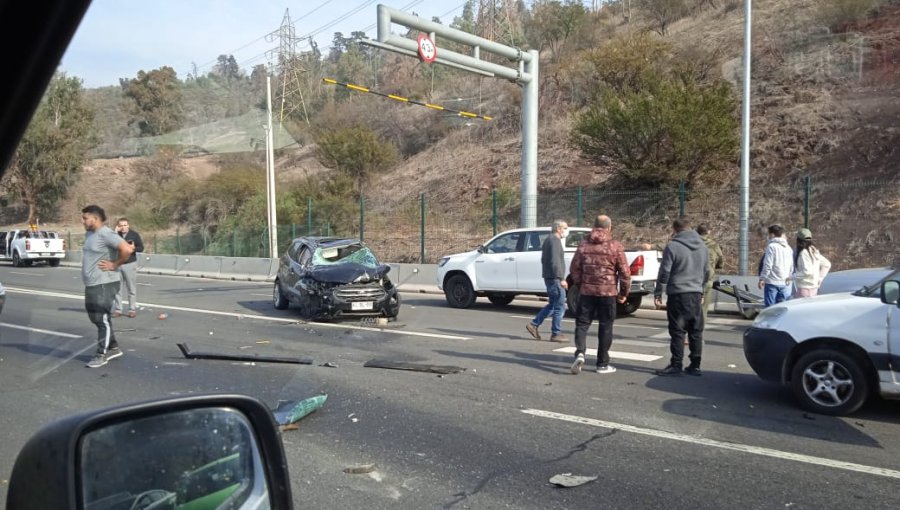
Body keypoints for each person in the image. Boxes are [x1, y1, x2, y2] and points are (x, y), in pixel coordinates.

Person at [568, 215, 631, 375]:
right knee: (605, 326)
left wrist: (581, 284)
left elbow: (574, 269)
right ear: (609, 227)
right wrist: (623, 293)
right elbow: (625, 272)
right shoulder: (615, 246)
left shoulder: (583, 245)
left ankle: (580, 352)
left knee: (582, 324)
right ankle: (602, 364)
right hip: (607, 292)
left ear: (594, 226)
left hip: (587, 292)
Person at [654, 218, 709, 376]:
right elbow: (707, 271)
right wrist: (702, 291)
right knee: (695, 330)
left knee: (678, 330)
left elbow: (665, 271)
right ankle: (695, 365)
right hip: (696, 292)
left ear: (675, 230)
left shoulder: (673, 246)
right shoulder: (703, 246)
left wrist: (659, 292)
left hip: (678, 293)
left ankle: (676, 364)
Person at [81, 205, 134, 368]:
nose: (82, 221)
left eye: (85, 218)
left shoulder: (106, 233)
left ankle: (101, 354)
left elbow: (126, 249)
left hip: (105, 282)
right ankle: (113, 347)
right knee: (97, 317)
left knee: (101, 317)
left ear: (95, 219)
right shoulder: (89, 234)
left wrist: (115, 264)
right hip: (93, 283)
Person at [525, 220, 569, 343]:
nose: (567, 230)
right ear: (559, 229)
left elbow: (544, 260)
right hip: (555, 278)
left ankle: (534, 324)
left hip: (550, 277)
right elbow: (555, 262)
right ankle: (556, 333)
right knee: (560, 306)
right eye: (565, 228)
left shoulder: (549, 240)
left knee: (553, 305)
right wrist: (561, 278)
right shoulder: (554, 241)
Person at [112, 217, 144, 318]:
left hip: (129, 264)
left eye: (125, 225)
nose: (123, 227)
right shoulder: (115, 235)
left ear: (128, 225)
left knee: (131, 288)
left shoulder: (134, 235)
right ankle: (118, 309)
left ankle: (132, 309)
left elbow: (141, 248)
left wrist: (134, 248)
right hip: (117, 264)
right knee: (117, 288)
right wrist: (114, 233)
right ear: (118, 226)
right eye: (121, 225)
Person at [758, 224, 794, 307]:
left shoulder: (771, 247)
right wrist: (789, 277)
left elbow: (767, 264)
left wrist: (762, 278)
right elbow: (791, 266)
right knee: (782, 309)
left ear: (772, 234)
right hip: (785, 282)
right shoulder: (788, 248)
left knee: (770, 309)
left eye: (768, 234)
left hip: (772, 282)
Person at [696, 224, 724, 325]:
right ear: (708, 232)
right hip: (707, 280)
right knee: (703, 309)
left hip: (691, 280)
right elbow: (721, 261)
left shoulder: (692, 243)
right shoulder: (714, 245)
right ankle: (699, 335)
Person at [793, 228, 831, 298]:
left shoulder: (803, 253)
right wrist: (819, 279)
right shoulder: (814, 251)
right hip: (814, 289)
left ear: (798, 240)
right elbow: (827, 264)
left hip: (804, 288)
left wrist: (792, 276)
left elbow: (807, 272)